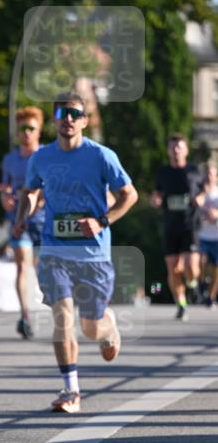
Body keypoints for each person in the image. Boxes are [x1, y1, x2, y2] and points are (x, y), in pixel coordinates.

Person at [16, 92, 138, 414]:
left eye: (74, 113)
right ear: (54, 118)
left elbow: (129, 195)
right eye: (61, 112)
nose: (68, 118)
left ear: (84, 120)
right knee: (62, 318)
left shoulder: (101, 156)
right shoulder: (41, 158)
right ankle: (71, 390)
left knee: (90, 327)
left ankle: (107, 326)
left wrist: (101, 222)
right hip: (55, 250)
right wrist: (21, 216)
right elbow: (30, 192)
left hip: (93, 255)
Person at [1, 106, 45, 339]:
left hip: (44, 221)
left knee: (42, 269)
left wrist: (40, 200)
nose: (26, 133)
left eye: (31, 128)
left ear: (39, 131)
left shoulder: (46, 155)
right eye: (22, 129)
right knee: (22, 266)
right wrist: (5, 197)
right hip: (19, 221)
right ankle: (25, 314)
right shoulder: (10, 159)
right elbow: (5, 187)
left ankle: (53, 307)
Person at [151, 134, 202, 320]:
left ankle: (193, 282)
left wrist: (201, 198)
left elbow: (204, 189)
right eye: (172, 147)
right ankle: (181, 304)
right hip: (170, 225)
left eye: (179, 147)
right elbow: (157, 192)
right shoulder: (162, 172)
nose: (176, 150)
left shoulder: (194, 170)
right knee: (172, 267)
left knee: (190, 266)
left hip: (190, 224)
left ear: (186, 150)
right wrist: (155, 199)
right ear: (168, 150)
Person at [194, 161, 218, 308]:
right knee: (200, 262)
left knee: (216, 268)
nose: (209, 177)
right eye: (206, 174)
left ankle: (211, 296)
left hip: (216, 236)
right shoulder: (199, 192)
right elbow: (195, 204)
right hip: (201, 235)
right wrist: (203, 191)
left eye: (211, 174)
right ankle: (202, 284)